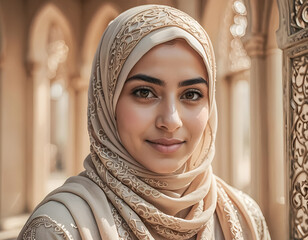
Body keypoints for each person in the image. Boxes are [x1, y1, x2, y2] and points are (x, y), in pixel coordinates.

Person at [18, 4, 270, 240]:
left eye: (191, 94)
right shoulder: (57, 229)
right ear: (106, 100)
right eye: (145, 92)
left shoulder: (243, 217)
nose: (171, 121)